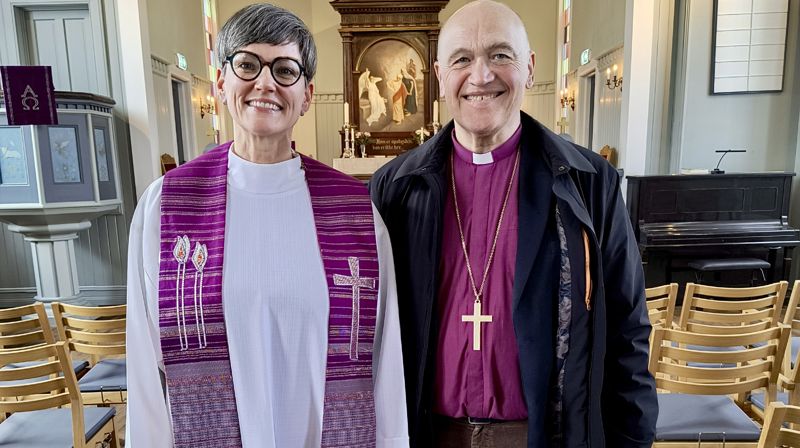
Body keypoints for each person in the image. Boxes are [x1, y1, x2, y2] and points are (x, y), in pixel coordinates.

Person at [369, 1, 657, 447]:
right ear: (440, 75)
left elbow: (627, 329)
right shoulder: (395, 189)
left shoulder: (588, 182)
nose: (481, 75)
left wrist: (633, 440)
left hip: (543, 436)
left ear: (530, 67)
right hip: (428, 434)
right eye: (462, 59)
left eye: (500, 54)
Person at [126, 4, 408, 447]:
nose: (265, 83)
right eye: (247, 64)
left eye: (285, 70)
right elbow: (145, 364)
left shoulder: (355, 213)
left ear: (307, 96)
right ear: (222, 82)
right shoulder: (167, 206)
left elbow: (385, 360)